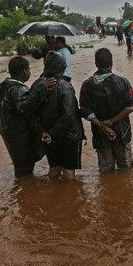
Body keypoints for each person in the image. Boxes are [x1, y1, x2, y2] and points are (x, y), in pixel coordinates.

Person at [79, 48, 133, 173]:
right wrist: (111, 121)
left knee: (105, 172)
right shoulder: (123, 82)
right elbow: (130, 107)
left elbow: (84, 110)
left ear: (96, 64)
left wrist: (101, 125)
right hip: (122, 133)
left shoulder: (86, 85)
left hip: (100, 135)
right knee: (126, 171)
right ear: (111, 63)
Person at [0, 56, 49, 178]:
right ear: (24, 71)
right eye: (29, 69)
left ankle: (23, 191)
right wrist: (39, 89)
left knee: (20, 165)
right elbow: (25, 108)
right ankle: (26, 193)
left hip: (7, 133)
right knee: (25, 169)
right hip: (20, 135)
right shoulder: (19, 89)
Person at [32, 51, 85, 181]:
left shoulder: (37, 85)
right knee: (68, 171)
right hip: (68, 136)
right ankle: (70, 199)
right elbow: (68, 114)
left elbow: (32, 112)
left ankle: (53, 195)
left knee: (54, 168)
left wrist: (45, 132)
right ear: (63, 68)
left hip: (47, 135)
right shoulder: (66, 88)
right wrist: (52, 132)